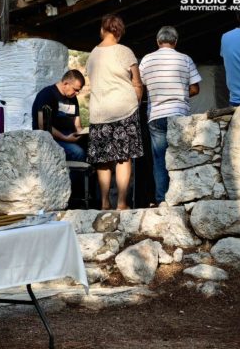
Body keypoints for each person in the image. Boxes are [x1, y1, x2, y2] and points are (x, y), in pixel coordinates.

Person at [86, 14, 143, 210]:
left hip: (99, 112)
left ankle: (104, 203)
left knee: (102, 160)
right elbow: (137, 82)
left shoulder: (93, 54)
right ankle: (121, 203)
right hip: (124, 110)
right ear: (119, 32)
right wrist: (137, 101)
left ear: (102, 30)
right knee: (123, 158)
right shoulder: (124, 51)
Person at [139, 26, 201, 205]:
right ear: (176, 41)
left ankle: (162, 199)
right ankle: (182, 198)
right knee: (181, 157)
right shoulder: (185, 59)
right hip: (179, 114)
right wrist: (179, 93)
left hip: (156, 115)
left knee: (159, 159)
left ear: (158, 41)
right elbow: (195, 88)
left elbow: (139, 86)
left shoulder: (146, 60)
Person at [32, 69, 86, 161]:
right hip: (51, 139)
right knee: (78, 152)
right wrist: (65, 138)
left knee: (94, 145)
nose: (77, 93)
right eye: (75, 90)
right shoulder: (46, 95)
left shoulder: (72, 97)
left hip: (69, 136)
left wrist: (81, 132)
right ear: (66, 84)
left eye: (79, 90)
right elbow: (44, 126)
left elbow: (77, 124)